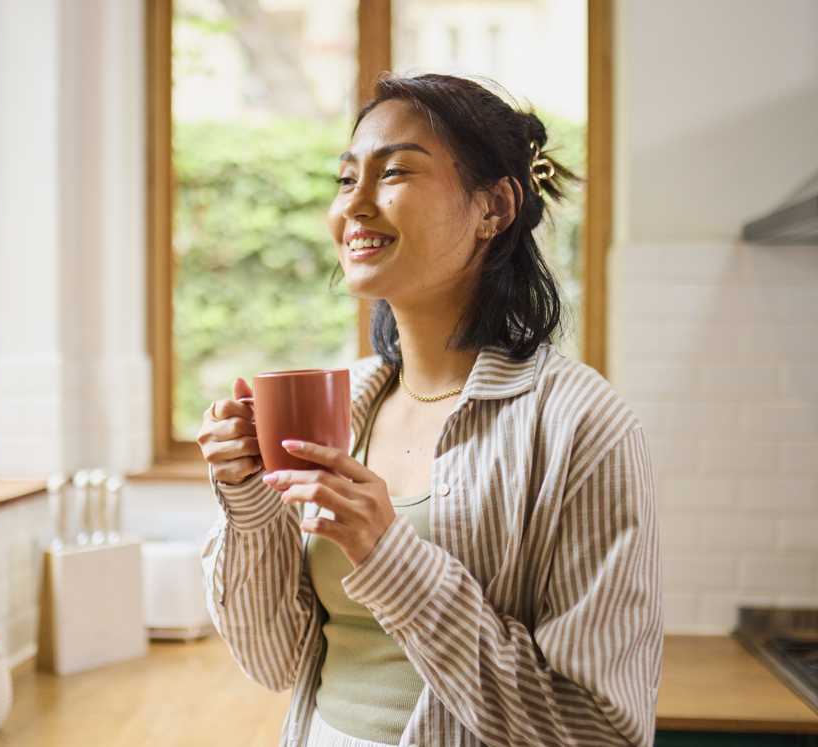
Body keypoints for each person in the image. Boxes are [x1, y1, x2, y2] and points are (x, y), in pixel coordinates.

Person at [197, 73, 661, 747]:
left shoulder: (582, 425)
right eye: (345, 179)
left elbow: (599, 728)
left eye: (394, 174)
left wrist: (388, 555)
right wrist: (247, 498)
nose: (353, 206)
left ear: (493, 208)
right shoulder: (347, 407)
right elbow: (275, 660)